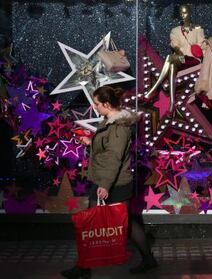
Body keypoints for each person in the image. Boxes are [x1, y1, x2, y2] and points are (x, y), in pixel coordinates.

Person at [61, 86, 157, 279]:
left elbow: (114, 157)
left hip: (112, 182)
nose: (95, 107)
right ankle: (147, 259)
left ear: (106, 104)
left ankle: (84, 266)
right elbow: (107, 149)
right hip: (106, 179)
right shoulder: (110, 121)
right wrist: (91, 141)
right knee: (126, 222)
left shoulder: (118, 127)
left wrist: (104, 185)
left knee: (102, 224)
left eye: (96, 103)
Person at [144, 4, 205, 117]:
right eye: (181, 13)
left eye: (185, 12)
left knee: (169, 58)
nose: (183, 15)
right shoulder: (175, 30)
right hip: (180, 58)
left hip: (193, 60)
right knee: (172, 64)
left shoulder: (198, 29)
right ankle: (172, 103)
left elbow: (202, 46)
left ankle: (155, 88)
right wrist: (179, 52)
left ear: (190, 13)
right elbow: (175, 44)